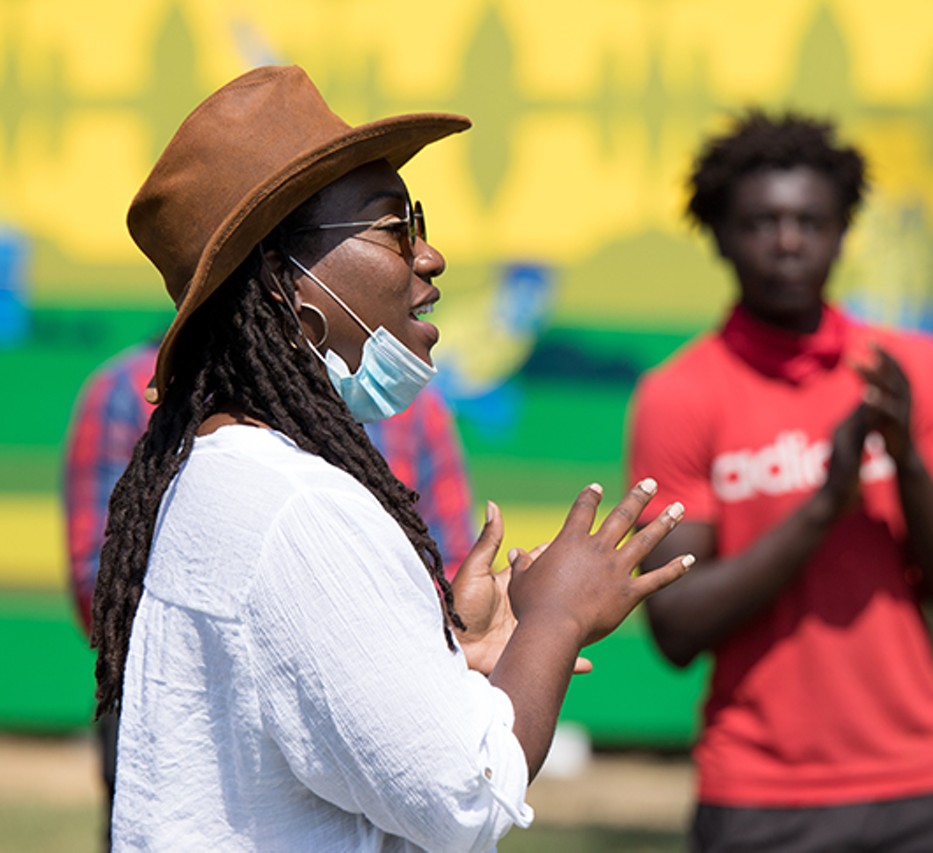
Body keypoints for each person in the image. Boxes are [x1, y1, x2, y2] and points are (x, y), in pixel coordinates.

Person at [91, 64, 693, 851]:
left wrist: (440, 651)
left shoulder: (222, 473)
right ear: (282, 281)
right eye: (394, 227)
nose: (431, 256)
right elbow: (460, 799)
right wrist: (557, 617)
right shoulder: (296, 507)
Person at [626, 111, 933, 851]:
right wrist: (824, 506)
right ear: (721, 235)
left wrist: (905, 457)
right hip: (763, 794)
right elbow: (676, 625)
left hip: (924, 782)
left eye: (810, 220)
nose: (788, 240)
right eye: (762, 221)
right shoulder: (680, 394)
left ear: (842, 231)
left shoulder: (909, 370)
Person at [62, 337, 478, 845]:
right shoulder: (126, 391)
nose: (426, 268)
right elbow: (100, 581)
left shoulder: (411, 404)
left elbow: (448, 559)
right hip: (181, 710)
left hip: (382, 704)